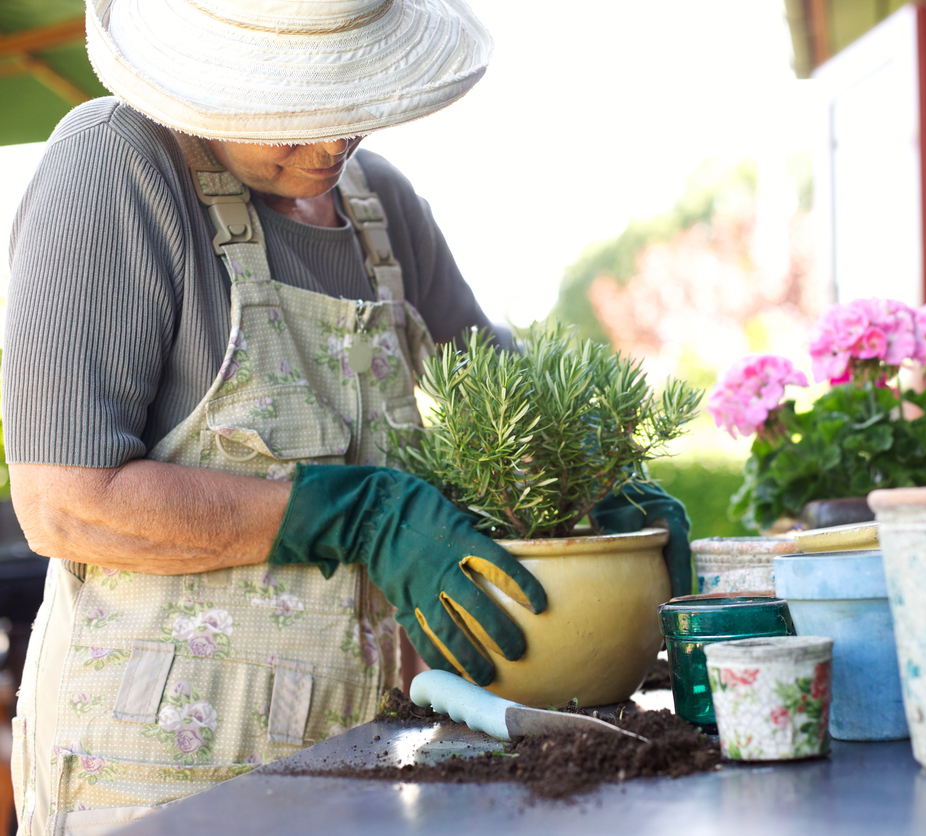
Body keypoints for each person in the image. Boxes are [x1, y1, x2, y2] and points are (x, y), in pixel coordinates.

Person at [2, 1, 690, 833]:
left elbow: (495, 383)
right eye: (293, 115)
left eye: (348, 97)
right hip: (159, 769)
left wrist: (597, 473)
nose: (332, 142)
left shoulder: (377, 205)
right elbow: (67, 503)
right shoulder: (115, 164)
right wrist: (353, 512)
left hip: (360, 755)